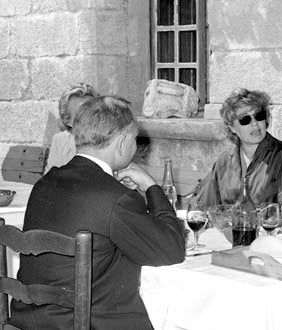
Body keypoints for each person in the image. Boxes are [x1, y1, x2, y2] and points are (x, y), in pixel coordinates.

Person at [11, 96, 186, 329]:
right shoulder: (116, 197)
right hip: (86, 323)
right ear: (123, 142)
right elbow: (171, 249)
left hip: (29, 320)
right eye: (134, 139)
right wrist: (151, 186)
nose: (135, 146)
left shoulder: (45, 183)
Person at [194, 88, 282, 206]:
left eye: (259, 116)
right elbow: (202, 205)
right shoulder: (224, 161)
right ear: (232, 128)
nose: (255, 123)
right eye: (245, 119)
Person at [45, 82, 100, 173]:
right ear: (67, 121)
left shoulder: (112, 140)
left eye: (94, 112)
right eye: (82, 114)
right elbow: (49, 180)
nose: (90, 119)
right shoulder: (60, 141)